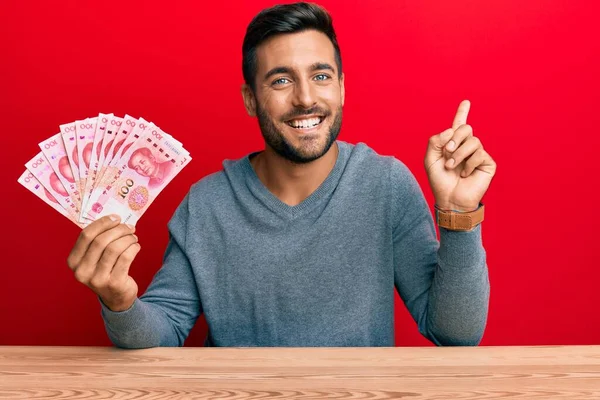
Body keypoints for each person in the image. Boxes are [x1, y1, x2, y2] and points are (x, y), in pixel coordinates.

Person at [67, 2, 496, 348]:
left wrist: (458, 213)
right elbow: (163, 332)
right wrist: (120, 302)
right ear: (250, 99)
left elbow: (455, 333)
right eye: (280, 81)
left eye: (321, 76)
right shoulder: (207, 203)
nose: (306, 98)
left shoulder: (385, 185)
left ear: (342, 87)